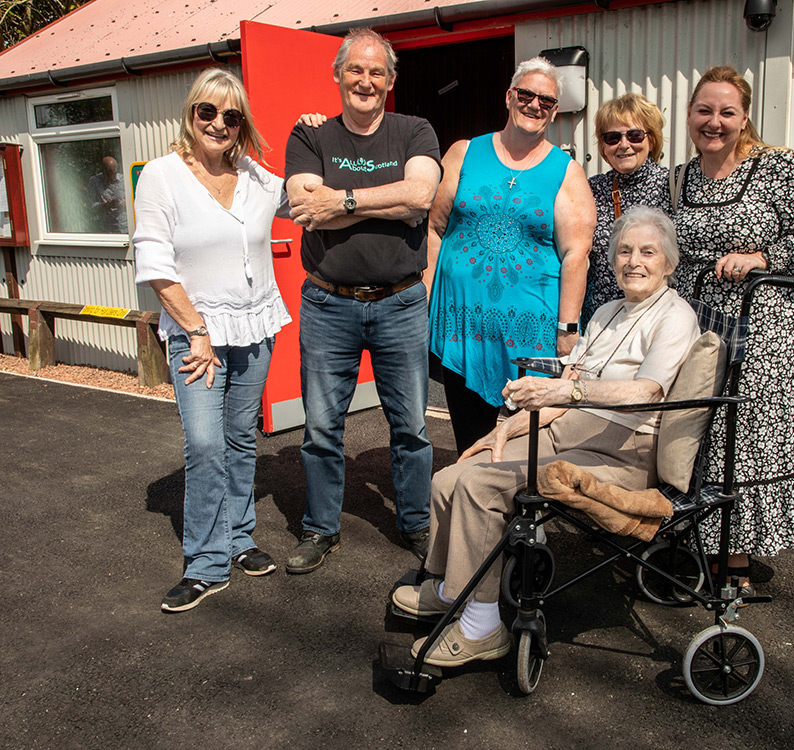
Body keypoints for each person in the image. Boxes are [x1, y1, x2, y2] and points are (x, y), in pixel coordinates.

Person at [392, 207, 699, 666]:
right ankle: (447, 587)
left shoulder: (675, 316)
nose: (634, 261)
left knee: (481, 486)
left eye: (648, 252)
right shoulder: (610, 311)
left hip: (622, 449)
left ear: (669, 264)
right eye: (624, 251)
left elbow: (646, 391)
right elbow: (566, 391)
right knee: (452, 476)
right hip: (569, 430)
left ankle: (481, 627)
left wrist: (566, 389)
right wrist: (510, 425)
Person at [670, 65, 794, 593]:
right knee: (700, 431)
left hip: (762, 329)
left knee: (744, 440)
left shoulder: (780, 168)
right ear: (690, 115)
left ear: (744, 119)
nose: (713, 122)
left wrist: (760, 256)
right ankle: (695, 540)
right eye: (704, 111)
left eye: (726, 112)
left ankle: (734, 560)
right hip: (697, 325)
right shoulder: (680, 177)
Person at [283, 28, 442, 570]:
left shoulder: (414, 130)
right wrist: (387, 201)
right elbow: (305, 207)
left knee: (412, 426)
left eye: (377, 72)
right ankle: (320, 529)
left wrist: (342, 199)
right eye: (356, 70)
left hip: (401, 302)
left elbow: (421, 197)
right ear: (338, 75)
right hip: (329, 304)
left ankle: (416, 523)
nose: (366, 81)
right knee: (322, 427)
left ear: (391, 80)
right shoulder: (310, 137)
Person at [133, 68, 292, 612]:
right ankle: (205, 561)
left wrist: (316, 134)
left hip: (253, 327)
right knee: (204, 445)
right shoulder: (161, 175)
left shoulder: (255, 176)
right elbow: (154, 262)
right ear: (190, 113)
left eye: (232, 116)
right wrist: (196, 330)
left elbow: (303, 198)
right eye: (208, 111)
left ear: (242, 124)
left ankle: (240, 536)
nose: (219, 124)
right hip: (195, 335)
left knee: (242, 438)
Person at [426, 57, 597, 456]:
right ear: (509, 96)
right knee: (469, 435)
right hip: (462, 325)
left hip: (530, 332)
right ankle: (477, 508)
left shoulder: (566, 171)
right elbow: (435, 229)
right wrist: (424, 299)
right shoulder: (464, 153)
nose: (535, 105)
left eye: (547, 101)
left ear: (555, 111)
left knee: (529, 440)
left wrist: (567, 328)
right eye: (527, 94)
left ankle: (522, 513)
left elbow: (577, 254)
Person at [583, 93, 671, 330]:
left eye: (634, 135)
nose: (624, 145)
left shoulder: (672, 186)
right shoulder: (591, 189)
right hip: (602, 321)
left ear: (651, 140)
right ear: (603, 146)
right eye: (612, 137)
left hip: (654, 320)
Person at [88, 156, 128, 233]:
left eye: (113, 173)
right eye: (108, 173)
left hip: (125, 227)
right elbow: (91, 206)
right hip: (106, 229)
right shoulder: (94, 182)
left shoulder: (125, 180)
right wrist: (106, 205)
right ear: (103, 171)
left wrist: (123, 203)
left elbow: (135, 201)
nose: (112, 176)